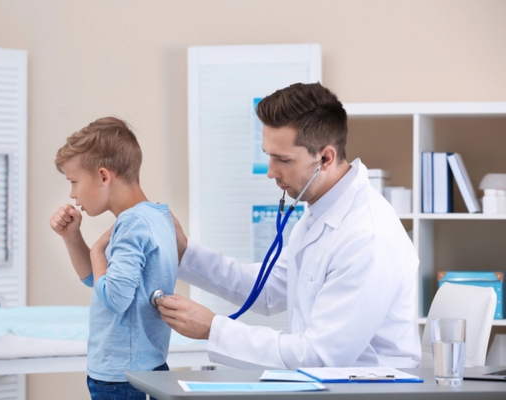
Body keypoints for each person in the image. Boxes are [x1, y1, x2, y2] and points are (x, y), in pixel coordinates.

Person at [157, 82, 422, 369]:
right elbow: (269, 290)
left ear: (325, 157)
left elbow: (320, 356)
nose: (270, 172)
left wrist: (213, 329)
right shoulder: (320, 212)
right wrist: (184, 252)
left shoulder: (367, 236)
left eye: (282, 159)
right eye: (268, 155)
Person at [50, 117, 178, 400]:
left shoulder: (132, 223)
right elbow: (94, 280)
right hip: (138, 369)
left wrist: (97, 250)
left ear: (104, 176)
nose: (72, 194)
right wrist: (72, 237)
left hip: (122, 377)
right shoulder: (157, 215)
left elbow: (115, 298)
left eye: (74, 182)